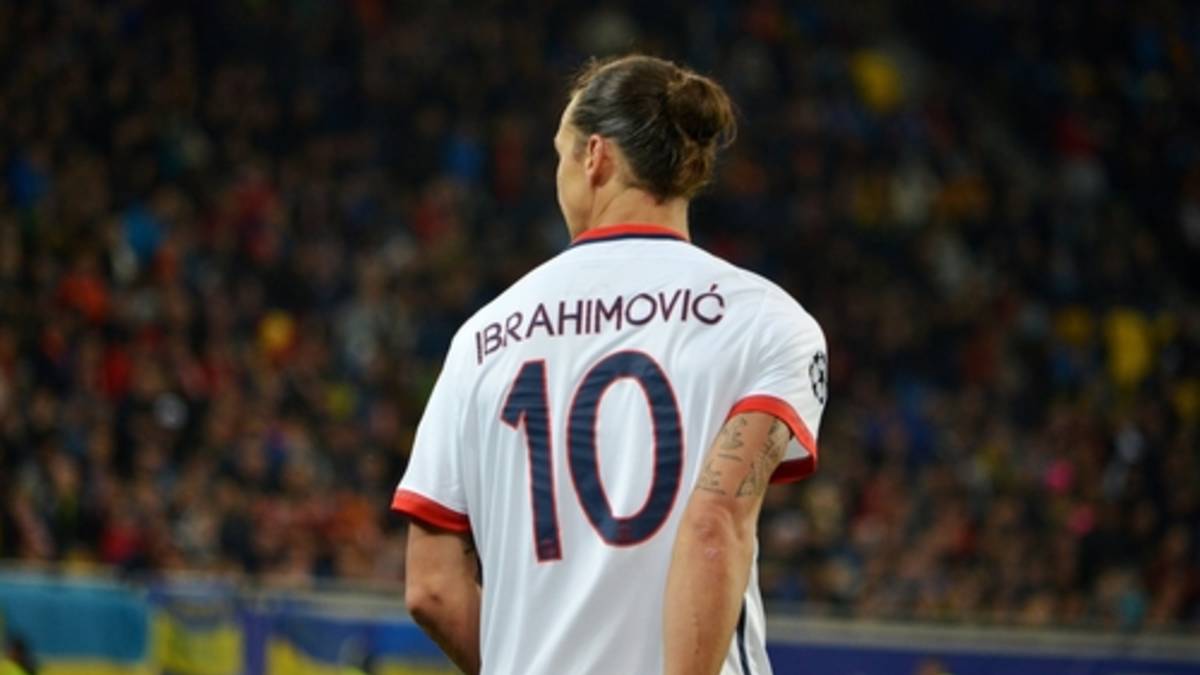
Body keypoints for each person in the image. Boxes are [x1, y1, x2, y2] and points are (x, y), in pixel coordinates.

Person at [393, 54, 828, 675]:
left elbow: (431, 588)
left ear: (594, 156)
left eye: (559, 153)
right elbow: (714, 526)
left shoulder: (482, 338)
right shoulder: (765, 320)